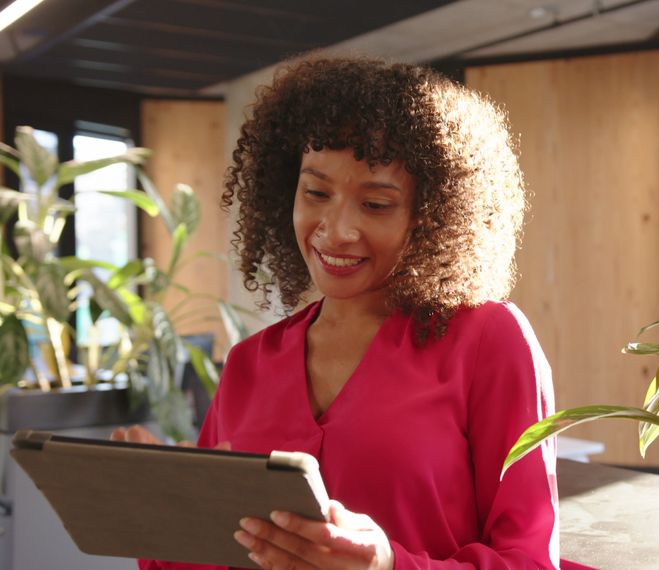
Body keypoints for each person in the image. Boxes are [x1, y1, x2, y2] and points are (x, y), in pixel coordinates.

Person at [112, 56, 559, 570]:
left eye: (375, 204)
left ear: (431, 217)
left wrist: (388, 565)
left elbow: (527, 561)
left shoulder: (487, 340)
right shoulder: (248, 364)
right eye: (316, 192)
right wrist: (156, 507)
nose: (335, 229)